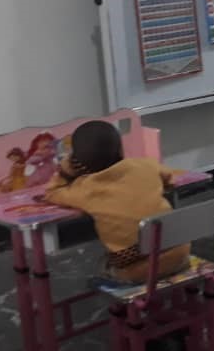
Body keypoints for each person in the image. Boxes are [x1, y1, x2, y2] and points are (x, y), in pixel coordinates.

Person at [45, 121, 190, 284]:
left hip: (136, 270)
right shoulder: (144, 165)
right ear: (121, 149)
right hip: (180, 253)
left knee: (103, 264)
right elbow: (169, 176)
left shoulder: (85, 189)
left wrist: (65, 170)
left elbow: (52, 193)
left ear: (78, 162)